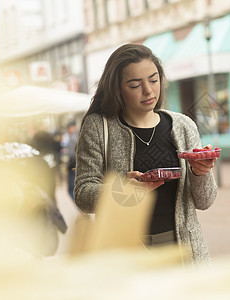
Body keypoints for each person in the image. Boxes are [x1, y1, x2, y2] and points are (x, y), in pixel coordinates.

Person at [74, 43, 218, 265]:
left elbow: (204, 201)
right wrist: (120, 190)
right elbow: (83, 195)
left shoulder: (182, 125)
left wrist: (201, 172)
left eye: (153, 80)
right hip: (125, 253)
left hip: (184, 251)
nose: (148, 91)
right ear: (117, 88)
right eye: (134, 85)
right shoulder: (98, 127)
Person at [63, 121, 78, 199]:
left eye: (69, 128)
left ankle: (80, 208)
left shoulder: (73, 138)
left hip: (73, 165)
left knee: (71, 189)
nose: (68, 130)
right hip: (78, 165)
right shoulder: (78, 135)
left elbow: (73, 155)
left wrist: (68, 167)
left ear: (73, 127)